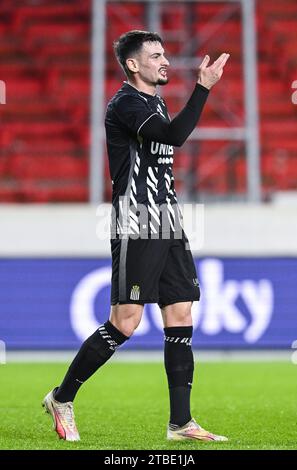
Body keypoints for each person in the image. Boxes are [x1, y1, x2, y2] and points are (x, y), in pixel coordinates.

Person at [43, 30, 229, 443]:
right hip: (138, 220)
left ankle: (180, 423)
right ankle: (62, 397)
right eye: (156, 55)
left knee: (180, 316)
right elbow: (175, 136)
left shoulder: (155, 101)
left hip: (169, 219)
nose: (165, 61)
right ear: (133, 64)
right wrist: (202, 89)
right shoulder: (126, 103)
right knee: (125, 323)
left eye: (164, 53)